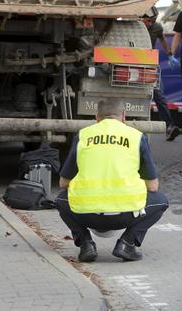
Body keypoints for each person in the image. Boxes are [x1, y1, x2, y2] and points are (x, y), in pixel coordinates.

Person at [56, 99, 169, 262]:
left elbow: (63, 183)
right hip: (126, 214)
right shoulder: (136, 137)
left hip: (86, 214)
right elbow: (152, 186)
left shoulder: (83, 135)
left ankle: (86, 244)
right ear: (123, 116)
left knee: (60, 200)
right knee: (161, 201)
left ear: (96, 117)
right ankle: (127, 244)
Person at [141, 10, 180, 141]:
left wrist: (169, 54)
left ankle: (170, 126)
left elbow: (162, 39)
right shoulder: (133, 25)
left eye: (152, 21)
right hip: (134, 62)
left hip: (150, 64)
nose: (150, 24)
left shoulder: (156, 27)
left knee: (159, 95)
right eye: (148, 21)